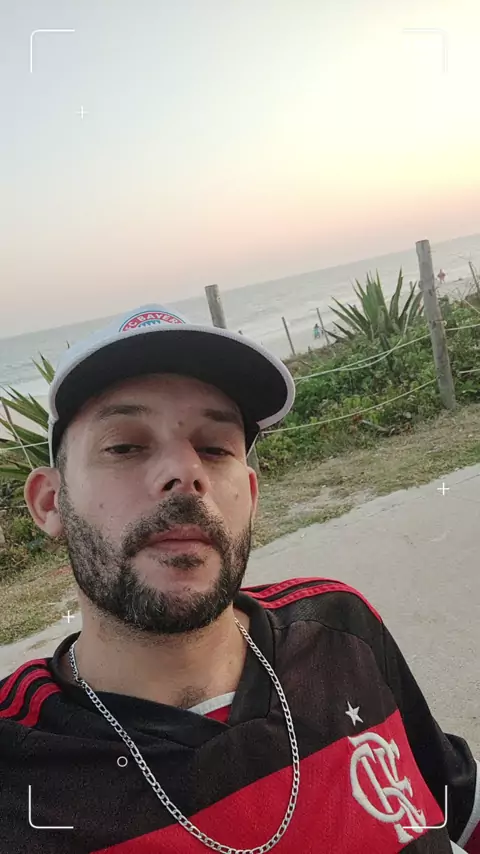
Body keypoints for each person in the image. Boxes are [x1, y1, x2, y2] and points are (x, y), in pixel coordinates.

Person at [0, 303, 477, 854]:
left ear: (249, 495)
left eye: (214, 448)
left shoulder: (339, 625)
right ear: (50, 502)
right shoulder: (18, 769)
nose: (186, 472)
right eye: (125, 446)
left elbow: (458, 805)